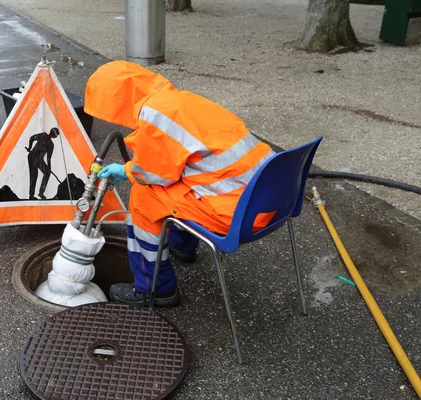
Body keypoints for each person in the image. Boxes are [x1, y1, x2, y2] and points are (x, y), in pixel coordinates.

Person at [84, 61, 275, 307]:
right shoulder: (181, 101)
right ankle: (183, 246)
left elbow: (153, 175)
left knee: (143, 199)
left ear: (116, 100)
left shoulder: (156, 116)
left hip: (238, 213)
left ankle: (155, 290)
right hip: (271, 196)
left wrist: (126, 171)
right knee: (176, 189)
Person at [26, 127, 59, 200]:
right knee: (34, 175)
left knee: (47, 172)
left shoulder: (51, 144)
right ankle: (31, 195)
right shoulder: (43, 136)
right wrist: (29, 148)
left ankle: (41, 192)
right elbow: (32, 138)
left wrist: (49, 168)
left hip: (38, 159)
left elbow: (48, 158)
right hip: (32, 157)